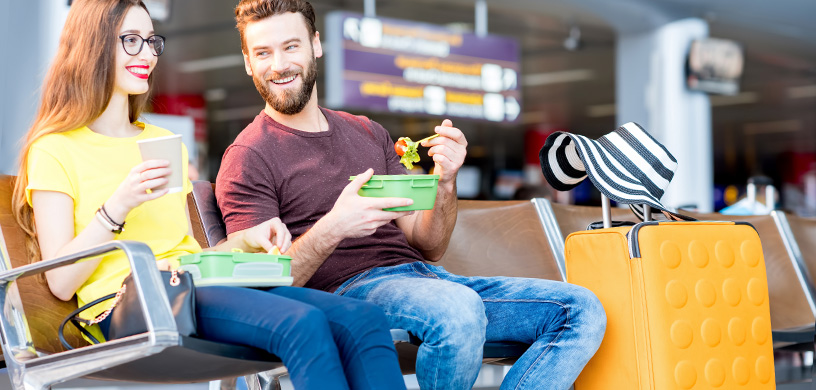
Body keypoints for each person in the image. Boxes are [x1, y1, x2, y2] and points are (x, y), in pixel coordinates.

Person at [11, 1, 406, 389]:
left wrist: (246, 241)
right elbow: (61, 282)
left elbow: (189, 252)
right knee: (301, 324)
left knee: (364, 320)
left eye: (151, 41)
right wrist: (118, 206)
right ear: (92, 45)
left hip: (192, 286)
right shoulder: (55, 149)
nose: (146, 54)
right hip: (128, 304)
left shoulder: (163, 141)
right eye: (130, 40)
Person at [218, 1, 606, 389]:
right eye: (263, 53)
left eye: (291, 46)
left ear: (316, 45)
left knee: (580, 310)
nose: (279, 65)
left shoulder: (368, 132)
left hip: (426, 280)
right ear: (248, 62)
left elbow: (429, 244)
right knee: (457, 310)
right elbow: (260, 288)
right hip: (347, 297)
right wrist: (334, 226)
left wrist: (445, 181)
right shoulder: (248, 156)